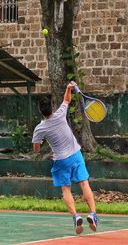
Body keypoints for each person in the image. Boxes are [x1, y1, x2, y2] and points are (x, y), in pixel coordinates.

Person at [32, 81, 98, 235]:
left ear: (40, 111)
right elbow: (66, 100)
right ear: (52, 108)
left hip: (61, 160)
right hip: (76, 155)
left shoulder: (40, 128)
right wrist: (69, 88)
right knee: (84, 183)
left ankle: (75, 216)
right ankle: (93, 213)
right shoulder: (60, 114)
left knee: (66, 189)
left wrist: (39, 143)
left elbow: (36, 149)